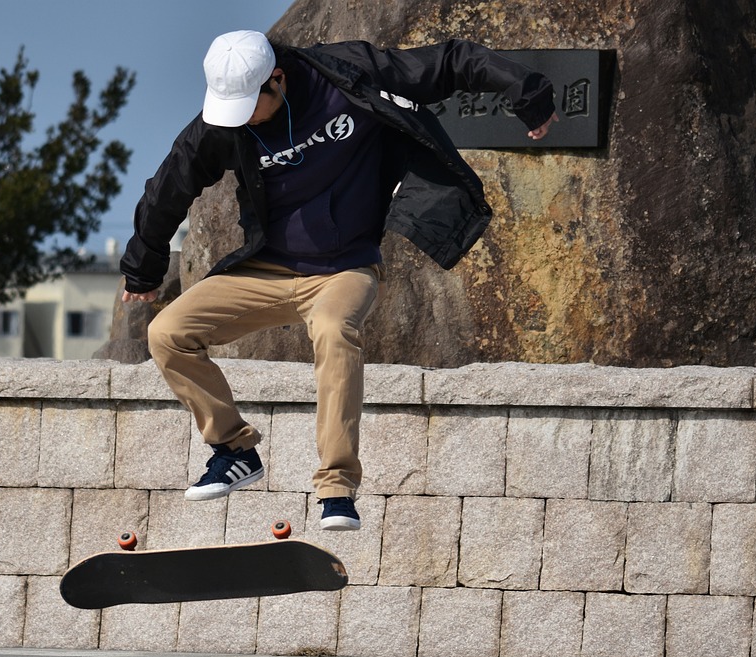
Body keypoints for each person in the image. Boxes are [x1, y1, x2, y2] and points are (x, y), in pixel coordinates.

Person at [120, 30, 558, 531]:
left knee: (333, 330)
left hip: (344, 269)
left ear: (277, 79)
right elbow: (168, 187)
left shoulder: (347, 75)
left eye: (250, 106)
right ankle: (234, 450)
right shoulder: (223, 126)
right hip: (267, 269)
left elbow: (450, 63)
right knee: (168, 334)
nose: (242, 119)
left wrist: (526, 93)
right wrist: (143, 265)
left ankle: (336, 488)